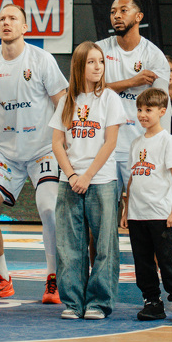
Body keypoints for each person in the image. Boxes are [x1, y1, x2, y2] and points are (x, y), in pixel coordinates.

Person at [0, 3, 68, 304]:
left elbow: (62, 100)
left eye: (13, 18)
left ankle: (53, 277)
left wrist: (64, 140)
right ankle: (2, 278)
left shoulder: (41, 59)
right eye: (2, 18)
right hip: (7, 153)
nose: (6, 22)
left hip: (43, 149)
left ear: (25, 27)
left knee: (49, 208)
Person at [49, 42, 124, 321]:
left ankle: (99, 303)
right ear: (79, 66)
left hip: (101, 180)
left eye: (101, 61)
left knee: (104, 246)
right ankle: (73, 302)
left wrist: (88, 176)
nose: (97, 67)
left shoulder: (109, 98)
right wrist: (71, 175)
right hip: (69, 182)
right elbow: (57, 143)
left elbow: (110, 142)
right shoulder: (67, 100)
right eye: (91, 62)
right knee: (69, 246)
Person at [121, 87, 172, 322]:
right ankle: (152, 301)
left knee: (167, 260)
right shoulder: (135, 143)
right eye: (139, 109)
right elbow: (132, 178)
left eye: (148, 110)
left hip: (159, 213)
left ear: (162, 111)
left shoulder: (168, 141)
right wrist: (126, 209)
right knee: (142, 263)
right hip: (137, 214)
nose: (142, 114)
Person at [97, 0, 171, 193]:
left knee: (139, 207)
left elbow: (163, 106)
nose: (116, 16)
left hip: (139, 146)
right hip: (102, 146)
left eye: (123, 10)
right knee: (104, 209)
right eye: (113, 12)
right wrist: (132, 82)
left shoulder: (154, 56)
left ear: (139, 17)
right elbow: (87, 92)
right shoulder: (99, 50)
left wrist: (163, 144)